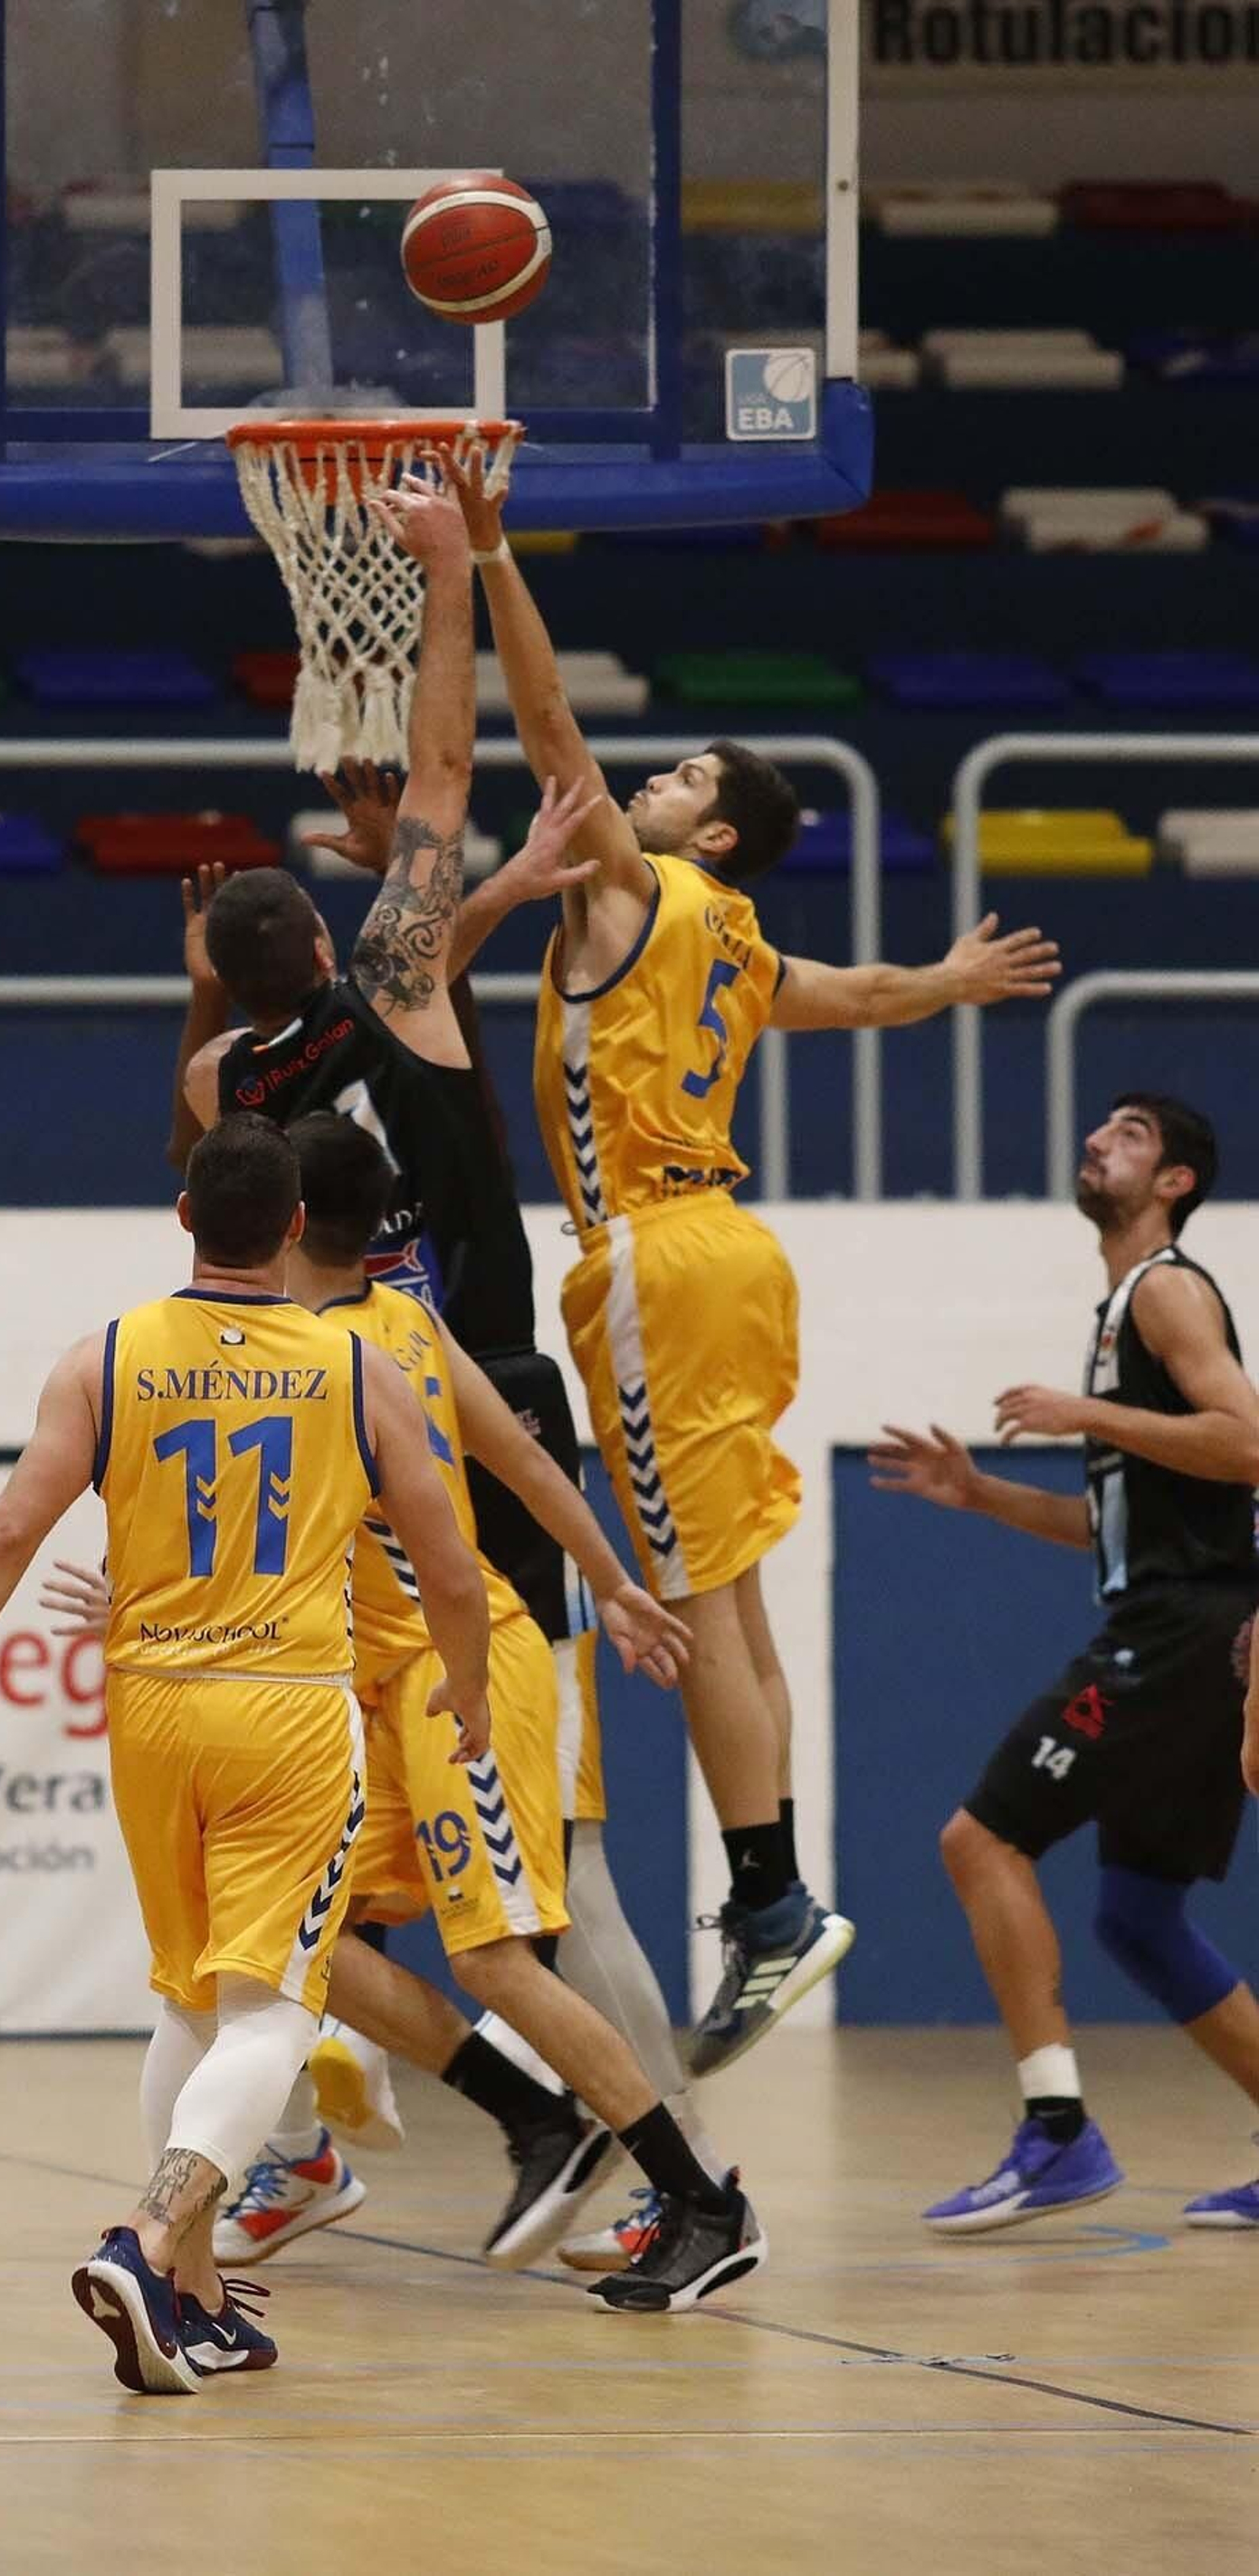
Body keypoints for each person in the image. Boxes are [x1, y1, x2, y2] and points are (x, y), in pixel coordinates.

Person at [439, 439, 1063, 2077]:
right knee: (740, 1604)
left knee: (689, 1598)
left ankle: (772, 1903)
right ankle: (776, 1900)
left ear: (709, 832)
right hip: (734, 1256)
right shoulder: (741, 938)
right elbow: (856, 996)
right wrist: (948, 979)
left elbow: (549, 730)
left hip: (654, 1261)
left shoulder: (641, 893)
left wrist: (492, 555)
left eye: (681, 776)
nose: (648, 782)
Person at [164, 472, 739, 2224]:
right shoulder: (399, 975)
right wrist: (441, 572)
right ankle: (600, 2145)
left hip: (360, 1431)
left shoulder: (224, 1093)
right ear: (324, 942)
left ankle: (596, 2151)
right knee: (507, 1869)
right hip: (477, 1394)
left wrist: (212, 981)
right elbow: (434, 771)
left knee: (403, 1883)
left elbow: (204, 1114)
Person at [0, 1113, 493, 2394]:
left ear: (185, 1217)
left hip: (152, 1712)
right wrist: (467, 1691)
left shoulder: (106, 1358)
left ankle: (190, 2299)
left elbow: (6, 1531)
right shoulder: (360, 1370)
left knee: (190, 1999)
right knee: (272, 2010)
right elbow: (449, 1567)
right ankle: (147, 2234)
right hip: (289, 1711)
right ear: (295, 1228)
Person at [52, 1112, 764, 2314]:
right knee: (307, 1948)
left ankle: (701, 2200)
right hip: (386, 1680)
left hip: (454, 1668)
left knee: (493, 1954)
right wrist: (616, 1582)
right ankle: (532, 2116)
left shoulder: (327, 1358)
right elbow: (528, 1467)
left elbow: (332, 1528)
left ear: (287, 1226)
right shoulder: (403, 1325)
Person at [870, 1092, 1259, 2231]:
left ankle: (1056, 2133)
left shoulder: (1167, 1290)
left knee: (979, 1837)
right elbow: (1123, 1524)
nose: (1098, 1138)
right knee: (1137, 1916)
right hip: (1193, 1621)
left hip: (1182, 1632)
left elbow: (1246, 1440)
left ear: (1176, 1182)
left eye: (1131, 1133)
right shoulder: (1121, 1310)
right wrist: (980, 1492)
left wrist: (1085, 1410)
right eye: (1101, 1126)